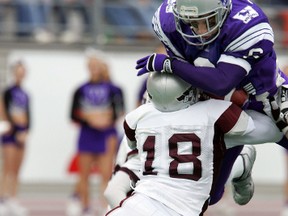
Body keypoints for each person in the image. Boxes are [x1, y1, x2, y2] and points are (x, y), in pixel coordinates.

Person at [135, 0, 288, 205]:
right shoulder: (167, 20)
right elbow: (204, 82)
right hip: (219, 104)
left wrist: (171, 64)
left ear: (224, 11)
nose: (199, 31)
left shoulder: (245, 22)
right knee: (207, 195)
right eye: (192, 22)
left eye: (208, 21)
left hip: (266, 99)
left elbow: (221, 82)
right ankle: (241, 165)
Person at [106, 72, 282, 216]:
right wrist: (254, 103)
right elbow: (272, 131)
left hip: (142, 203)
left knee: (213, 192)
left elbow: (114, 188)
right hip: (180, 204)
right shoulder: (212, 112)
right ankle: (240, 163)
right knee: (213, 194)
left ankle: (240, 162)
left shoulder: (138, 116)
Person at [66, 51, 125, 216]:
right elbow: (73, 114)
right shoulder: (80, 89)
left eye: (97, 65)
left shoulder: (114, 89)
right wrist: (90, 119)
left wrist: (105, 119)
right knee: (83, 174)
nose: (94, 68)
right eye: (91, 65)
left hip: (106, 135)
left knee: (106, 175)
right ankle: (85, 207)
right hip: (86, 135)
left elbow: (119, 111)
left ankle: (103, 207)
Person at [0, 60, 30, 216]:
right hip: (11, 134)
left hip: (22, 135)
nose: (21, 74)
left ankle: (13, 198)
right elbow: (4, 111)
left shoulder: (25, 94)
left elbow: (28, 115)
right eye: (18, 71)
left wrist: (26, 132)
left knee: (17, 169)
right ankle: (2, 199)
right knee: (8, 167)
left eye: (23, 71)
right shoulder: (8, 92)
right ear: (14, 72)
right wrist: (13, 129)